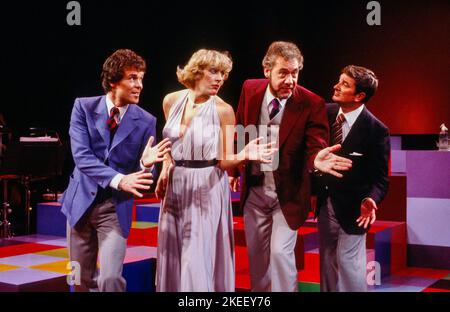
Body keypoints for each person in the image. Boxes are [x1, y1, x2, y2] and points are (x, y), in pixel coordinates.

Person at [228, 41, 352, 292]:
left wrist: (316, 159)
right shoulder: (250, 89)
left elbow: (315, 142)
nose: (290, 80)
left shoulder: (311, 102)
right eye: (283, 73)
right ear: (267, 71)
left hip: (289, 193)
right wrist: (236, 166)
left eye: (294, 73)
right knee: (257, 259)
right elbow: (241, 125)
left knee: (280, 255)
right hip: (255, 191)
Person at [155, 49, 277, 292]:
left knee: (196, 258)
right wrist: (165, 167)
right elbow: (169, 144)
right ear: (196, 71)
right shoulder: (171, 100)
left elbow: (223, 160)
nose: (220, 78)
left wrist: (243, 155)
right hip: (176, 184)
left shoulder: (223, 110)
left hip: (206, 186)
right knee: (172, 254)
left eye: (223, 73)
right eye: (214, 71)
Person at [60, 49, 171, 292]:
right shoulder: (83, 108)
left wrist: (147, 165)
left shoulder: (146, 120)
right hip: (79, 206)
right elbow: (82, 158)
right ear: (113, 81)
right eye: (132, 78)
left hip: (114, 210)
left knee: (110, 280)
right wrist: (120, 179)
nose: (139, 85)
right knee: (78, 281)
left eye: (141, 78)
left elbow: (144, 178)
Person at [316, 65, 390, 292]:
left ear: (359, 96)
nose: (336, 87)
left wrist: (371, 200)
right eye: (339, 81)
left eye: (344, 84)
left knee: (349, 266)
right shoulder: (323, 113)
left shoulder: (376, 130)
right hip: (324, 203)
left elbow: (380, 179)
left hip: (355, 210)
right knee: (327, 264)